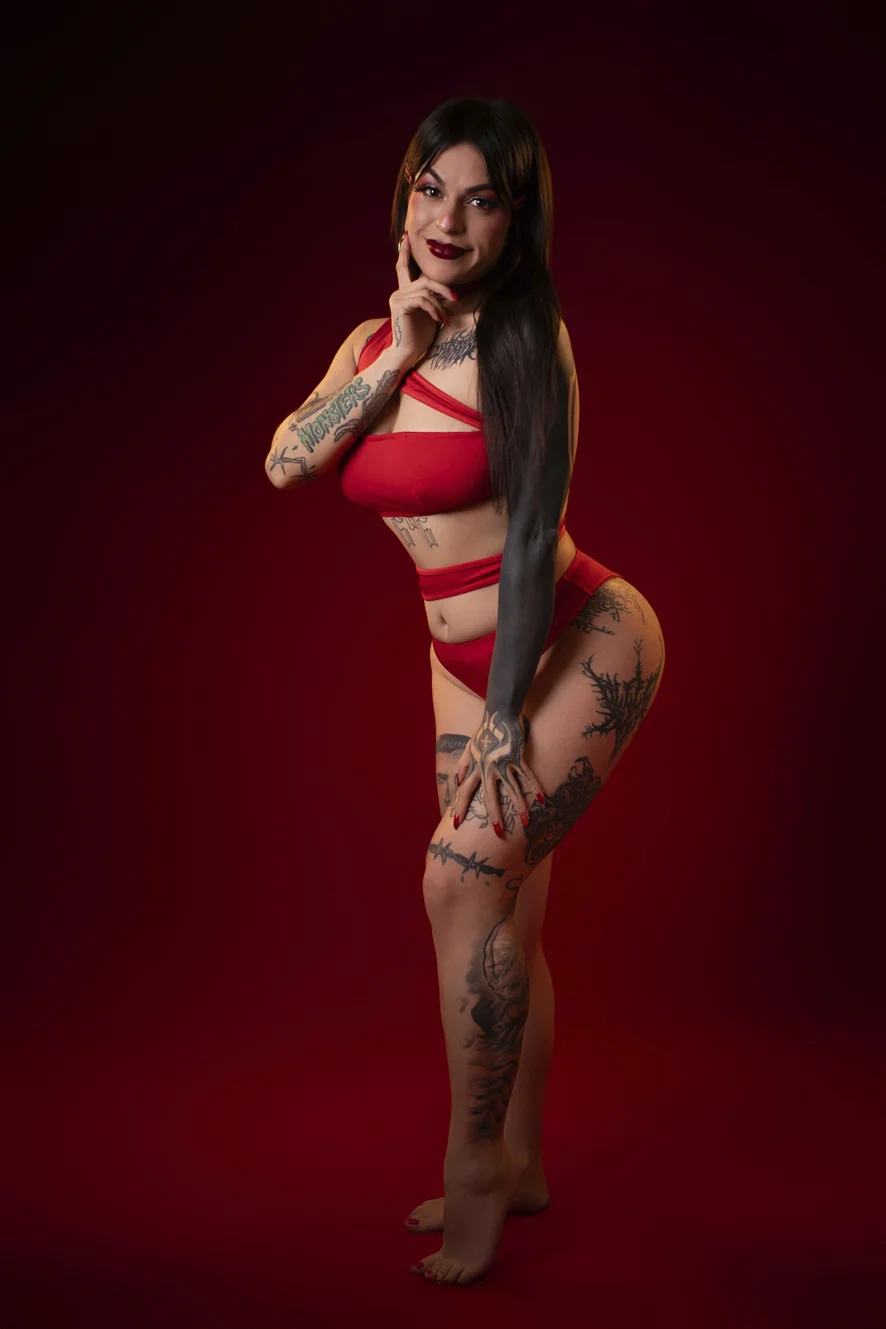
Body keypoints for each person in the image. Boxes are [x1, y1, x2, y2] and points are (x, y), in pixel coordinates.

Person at [265, 97, 666, 1287]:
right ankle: (523, 1161)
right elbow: (288, 460)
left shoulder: (527, 343)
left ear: (515, 219)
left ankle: (476, 1166)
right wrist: (395, 350)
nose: (447, 219)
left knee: (457, 882)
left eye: (480, 198)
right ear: (403, 203)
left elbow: (534, 528)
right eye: (429, 190)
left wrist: (502, 717)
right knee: (506, 912)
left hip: (577, 641)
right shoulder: (371, 343)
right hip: (454, 665)